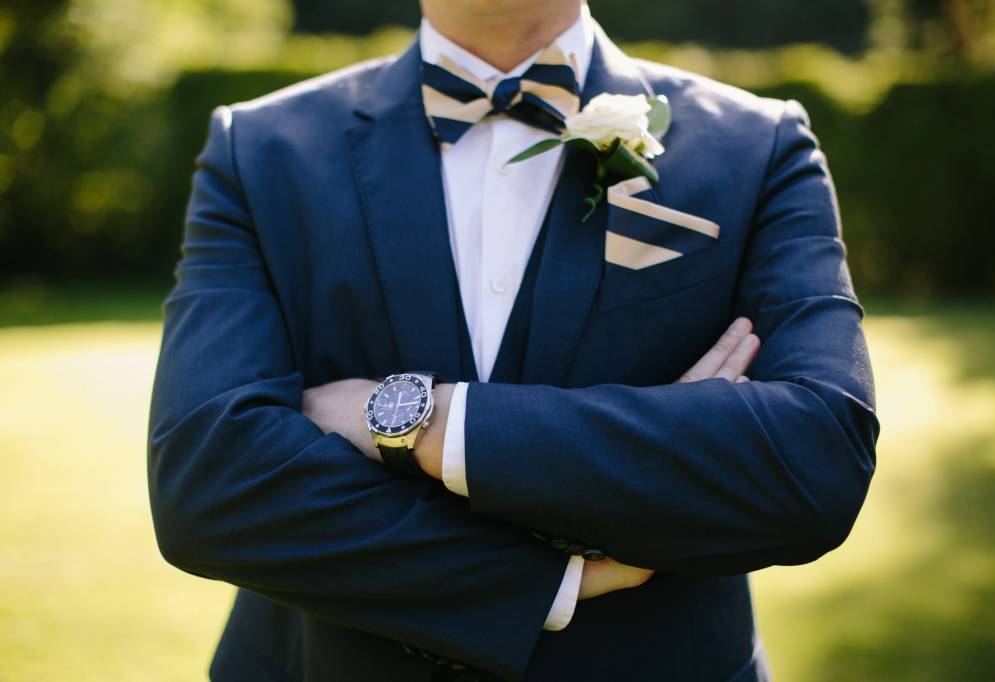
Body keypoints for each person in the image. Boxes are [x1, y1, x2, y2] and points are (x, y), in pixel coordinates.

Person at [147, 1, 879, 680]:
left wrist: (422, 420)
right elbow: (208, 485)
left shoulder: (758, 146)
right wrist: (551, 578)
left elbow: (816, 457)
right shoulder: (260, 151)